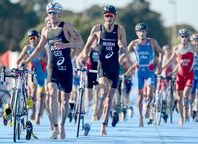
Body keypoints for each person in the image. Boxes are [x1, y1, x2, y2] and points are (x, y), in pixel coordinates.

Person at [20, 2, 83, 139]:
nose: (52, 15)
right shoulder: (45, 30)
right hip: (52, 67)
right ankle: (55, 127)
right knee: (51, 92)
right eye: (50, 13)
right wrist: (27, 60)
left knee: (65, 100)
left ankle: (62, 125)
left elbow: (79, 42)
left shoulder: (67, 27)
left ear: (59, 13)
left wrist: (65, 44)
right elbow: (38, 49)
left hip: (65, 68)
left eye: (54, 12)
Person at [77, 5, 127, 135]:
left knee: (110, 98)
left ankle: (104, 125)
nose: (108, 17)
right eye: (106, 15)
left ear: (114, 16)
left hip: (114, 67)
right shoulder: (97, 29)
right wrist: (83, 56)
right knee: (103, 89)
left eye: (111, 15)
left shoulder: (119, 29)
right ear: (103, 16)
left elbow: (124, 45)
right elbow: (88, 45)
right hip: (102, 66)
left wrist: (122, 48)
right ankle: (98, 108)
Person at [126, 22, 164, 127]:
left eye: (143, 31)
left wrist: (160, 66)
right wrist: (128, 65)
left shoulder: (152, 42)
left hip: (150, 71)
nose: (142, 33)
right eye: (139, 31)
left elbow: (161, 52)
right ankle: (141, 118)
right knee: (140, 95)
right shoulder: (133, 43)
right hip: (139, 72)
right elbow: (125, 53)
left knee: (151, 92)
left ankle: (147, 107)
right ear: (137, 33)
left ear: (146, 32)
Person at [162, 28, 196, 126]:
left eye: (186, 37)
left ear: (188, 38)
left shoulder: (193, 47)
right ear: (180, 37)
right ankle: (181, 117)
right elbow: (171, 60)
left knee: (186, 94)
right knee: (180, 98)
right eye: (182, 37)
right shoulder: (176, 48)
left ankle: (187, 109)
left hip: (189, 75)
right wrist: (162, 68)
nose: (184, 38)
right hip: (180, 76)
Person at [16, 29, 47, 124]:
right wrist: (21, 63)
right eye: (30, 38)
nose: (32, 40)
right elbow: (18, 60)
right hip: (32, 73)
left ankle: (38, 115)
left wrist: (40, 57)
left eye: (34, 38)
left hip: (43, 74)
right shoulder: (27, 48)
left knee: (42, 96)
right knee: (33, 92)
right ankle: (33, 111)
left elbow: (47, 60)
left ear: (38, 39)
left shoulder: (42, 48)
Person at [190, 33, 198, 121]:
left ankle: (197, 112)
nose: (196, 43)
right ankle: (192, 107)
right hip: (191, 76)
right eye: (194, 41)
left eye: (197, 41)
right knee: (191, 96)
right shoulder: (189, 51)